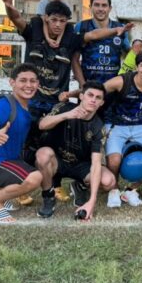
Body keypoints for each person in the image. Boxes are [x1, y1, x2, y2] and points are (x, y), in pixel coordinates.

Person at [0, 63, 43, 224]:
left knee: (37, 166)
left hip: (10, 162)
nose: (28, 85)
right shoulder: (5, 105)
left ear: (38, 84)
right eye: (23, 80)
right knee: (35, 177)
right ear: (12, 82)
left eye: (33, 81)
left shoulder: (27, 106)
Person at [35, 81, 115, 220]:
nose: (93, 100)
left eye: (98, 98)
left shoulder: (98, 127)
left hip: (81, 166)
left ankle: (80, 186)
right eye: (90, 95)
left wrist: (92, 201)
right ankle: (48, 196)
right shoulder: (64, 107)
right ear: (82, 96)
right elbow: (42, 125)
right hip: (57, 161)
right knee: (43, 154)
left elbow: (96, 163)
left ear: (101, 103)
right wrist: (66, 115)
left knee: (109, 181)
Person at [102, 50, 142, 207]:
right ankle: (114, 190)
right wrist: (73, 94)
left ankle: (131, 190)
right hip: (117, 124)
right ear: (137, 67)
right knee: (114, 159)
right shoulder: (122, 81)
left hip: (141, 124)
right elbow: (97, 90)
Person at [71, 0, 129, 86]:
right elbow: (74, 59)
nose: (100, 9)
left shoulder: (121, 27)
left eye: (104, 5)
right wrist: (83, 85)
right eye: (97, 5)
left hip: (113, 88)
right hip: (88, 87)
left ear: (110, 8)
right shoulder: (81, 26)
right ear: (90, 7)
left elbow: (129, 54)